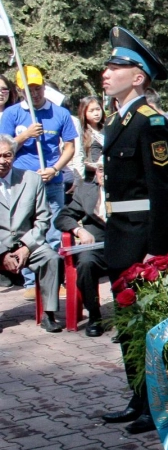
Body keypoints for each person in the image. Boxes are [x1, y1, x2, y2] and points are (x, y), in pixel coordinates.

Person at [98, 28, 168, 435]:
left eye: (116, 66)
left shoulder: (150, 123)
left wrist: (156, 248)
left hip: (142, 239)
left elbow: (162, 192)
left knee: (148, 323)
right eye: (108, 65)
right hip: (118, 232)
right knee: (129, 322)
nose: (106, 71)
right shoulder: (118, 121)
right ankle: (138, 396)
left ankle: (157, 402)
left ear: (138, 77)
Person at [1, 66, 77, 296]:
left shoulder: (59, 113)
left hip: (51, 180)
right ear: (21, 91)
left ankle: (54, 282)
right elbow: (4, 146)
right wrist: (25, 136)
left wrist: (55, 168)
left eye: (38, 88)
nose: (35, 93)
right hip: (21, 182)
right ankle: (29, 282)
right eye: (29, 89)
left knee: (53, 228)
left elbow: (70, 146)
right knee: (23, 228)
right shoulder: (12, 114)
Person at [0, 134, 62, 333]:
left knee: (51, 258)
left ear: (14, 155)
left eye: (7, 155)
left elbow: (43, 218)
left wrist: (27, 247)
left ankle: (49, 314)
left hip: (27, 243)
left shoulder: (31, 179)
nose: (2, 161)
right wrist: (2, 254)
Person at [55, 162, 108, 336]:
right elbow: (63, 217)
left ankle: (127, 320)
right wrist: (79, 230)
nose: (104, 174)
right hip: (95, 246)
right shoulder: (85, 191)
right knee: (85, 263)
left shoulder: (128, 191)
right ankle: (94, 315)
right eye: (100, 170)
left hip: (123, 244)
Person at [72, 96, 105, 184]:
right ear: (84, 112)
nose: (96, 113)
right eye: (91, 111)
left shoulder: (107, 128)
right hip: (89, 179)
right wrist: (94, 166)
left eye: (98, 109)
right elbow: (77, 158)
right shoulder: (80, 132)